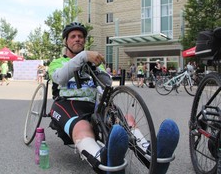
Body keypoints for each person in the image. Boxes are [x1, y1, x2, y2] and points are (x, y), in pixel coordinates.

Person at [48, 22, 179, 173]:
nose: (77, 39)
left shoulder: (94, 62)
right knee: (82, 127)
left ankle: (155, 155)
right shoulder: (57, 62)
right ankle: (106, 161)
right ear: (66, 41)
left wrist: (95, 68)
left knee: (126, 121)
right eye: (73, 36)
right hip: (68, 104)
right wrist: (83, 57)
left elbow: (107, 84)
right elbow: (59, 78)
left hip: (95, 104)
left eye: (81, 36)